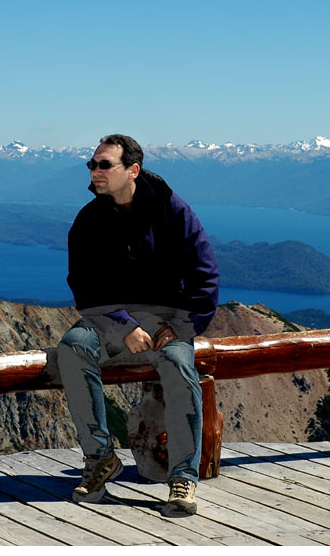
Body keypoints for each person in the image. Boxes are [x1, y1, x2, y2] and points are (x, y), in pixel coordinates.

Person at [57, 133, 220, 518]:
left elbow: (205, 272)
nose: (94, 171)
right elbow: (83, 284)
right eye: (92, 165)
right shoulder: (89, 219)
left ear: (133, 170)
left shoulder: (172, 210)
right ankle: (99, 458)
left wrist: (183, 327)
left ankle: (183, 477)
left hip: (167, 321)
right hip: (109, 319)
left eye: (103, 165)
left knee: (180, 365)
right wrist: (122, 325)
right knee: (73, 347)